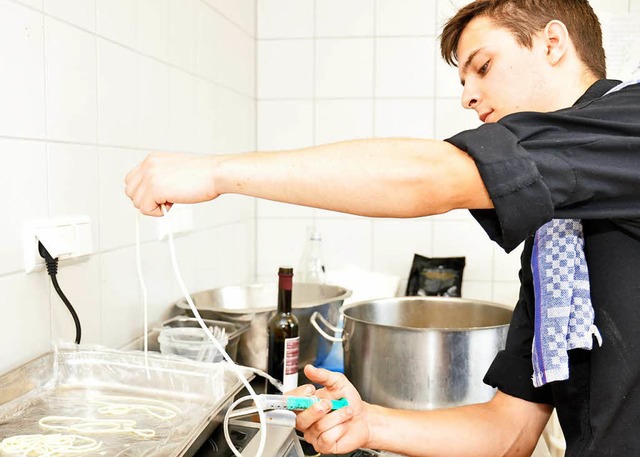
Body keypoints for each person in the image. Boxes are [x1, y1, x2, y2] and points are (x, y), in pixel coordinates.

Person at [125, 0, 640, 455]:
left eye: (483, 67)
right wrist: (367, 423)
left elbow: (433, 177)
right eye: (463, 81)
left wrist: (216, 173)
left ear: (553, 43)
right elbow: (508, 432)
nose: (469, 97)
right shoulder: (557, 243)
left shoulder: (632, 123)